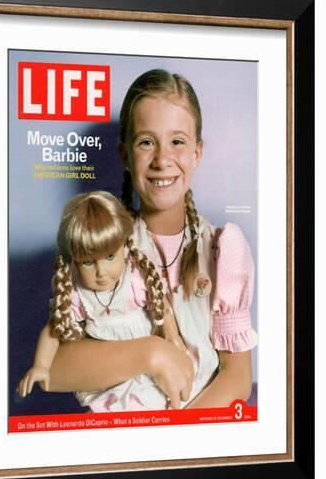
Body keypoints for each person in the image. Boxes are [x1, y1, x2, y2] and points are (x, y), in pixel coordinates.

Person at [24, 68, 257, 410]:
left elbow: (237, 379)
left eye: (177, 141)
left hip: (195, 444)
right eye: (147, 142)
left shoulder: (222, 251)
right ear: (125, 156)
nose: (163, 160)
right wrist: (152, 353)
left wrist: (174, 442)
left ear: (197, 152)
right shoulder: (103, 246)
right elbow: (54, 370)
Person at [17, 191, 189, 411]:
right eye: (88, 262)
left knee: (155, 405)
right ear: (74, 261)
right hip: (106, 375)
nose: (101, 272)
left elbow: (162, 307)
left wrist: (173, 337)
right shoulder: (78, 293)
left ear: (124, 247)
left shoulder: (134, 278)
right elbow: (53, 331)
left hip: (145, 373)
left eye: (110, 257)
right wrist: (41, 365)